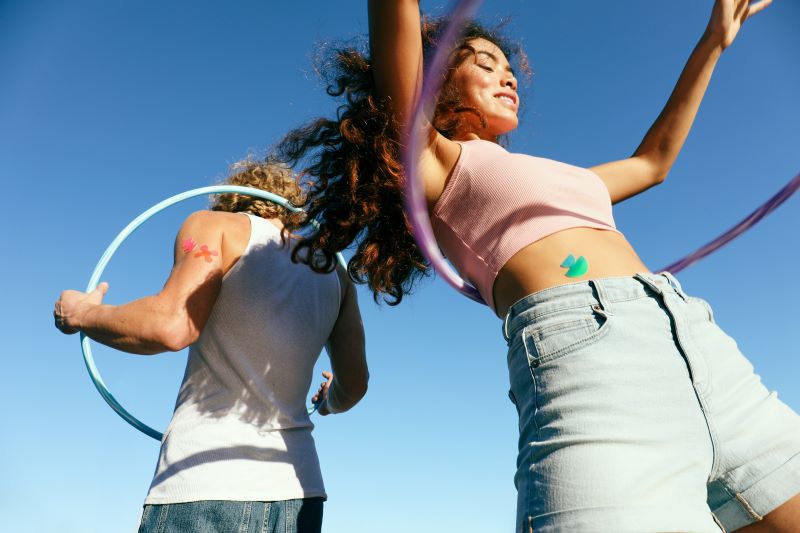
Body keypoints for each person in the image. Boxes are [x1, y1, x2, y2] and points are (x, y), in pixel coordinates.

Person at [277, 1, 800, 531]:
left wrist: (713, 40)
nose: (506, 74)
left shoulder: (567, 177)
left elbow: (653, 162)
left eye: (508, 67)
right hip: (594, 367)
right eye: (484, 62)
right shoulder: (434, 161)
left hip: (698, 343)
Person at [54, 160, 368, 533]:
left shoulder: (214, 226)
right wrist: (328, 402)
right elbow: (355, 384)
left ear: (234, 197)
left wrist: (83, 315)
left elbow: (171, 326)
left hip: (206, 481)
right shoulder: (333, 269)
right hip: (299, 496)